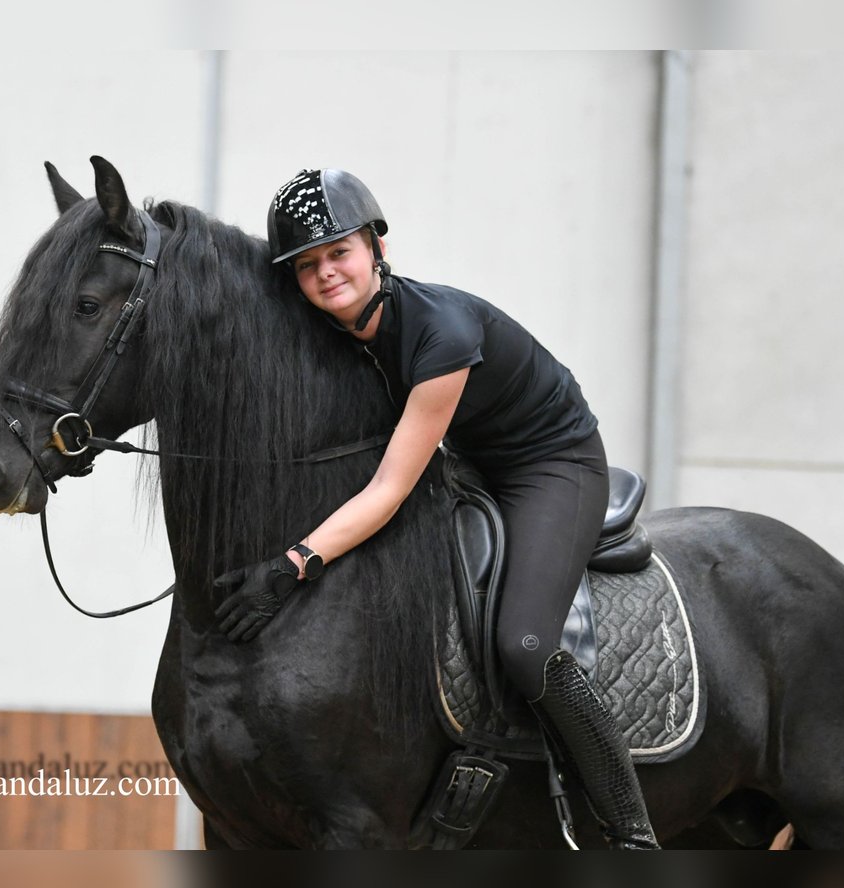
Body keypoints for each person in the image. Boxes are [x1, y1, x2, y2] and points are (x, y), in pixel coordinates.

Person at [213, 168, 659, 849]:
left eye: (339, 253)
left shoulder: (440, 333)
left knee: (527, 643)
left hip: (550, 465)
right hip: (469, 460)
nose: (326, 273)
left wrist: (296, 561)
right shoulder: (334, 330)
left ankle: (630, 830)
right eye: (307, 265)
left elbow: (389, 488)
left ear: (376, 251)